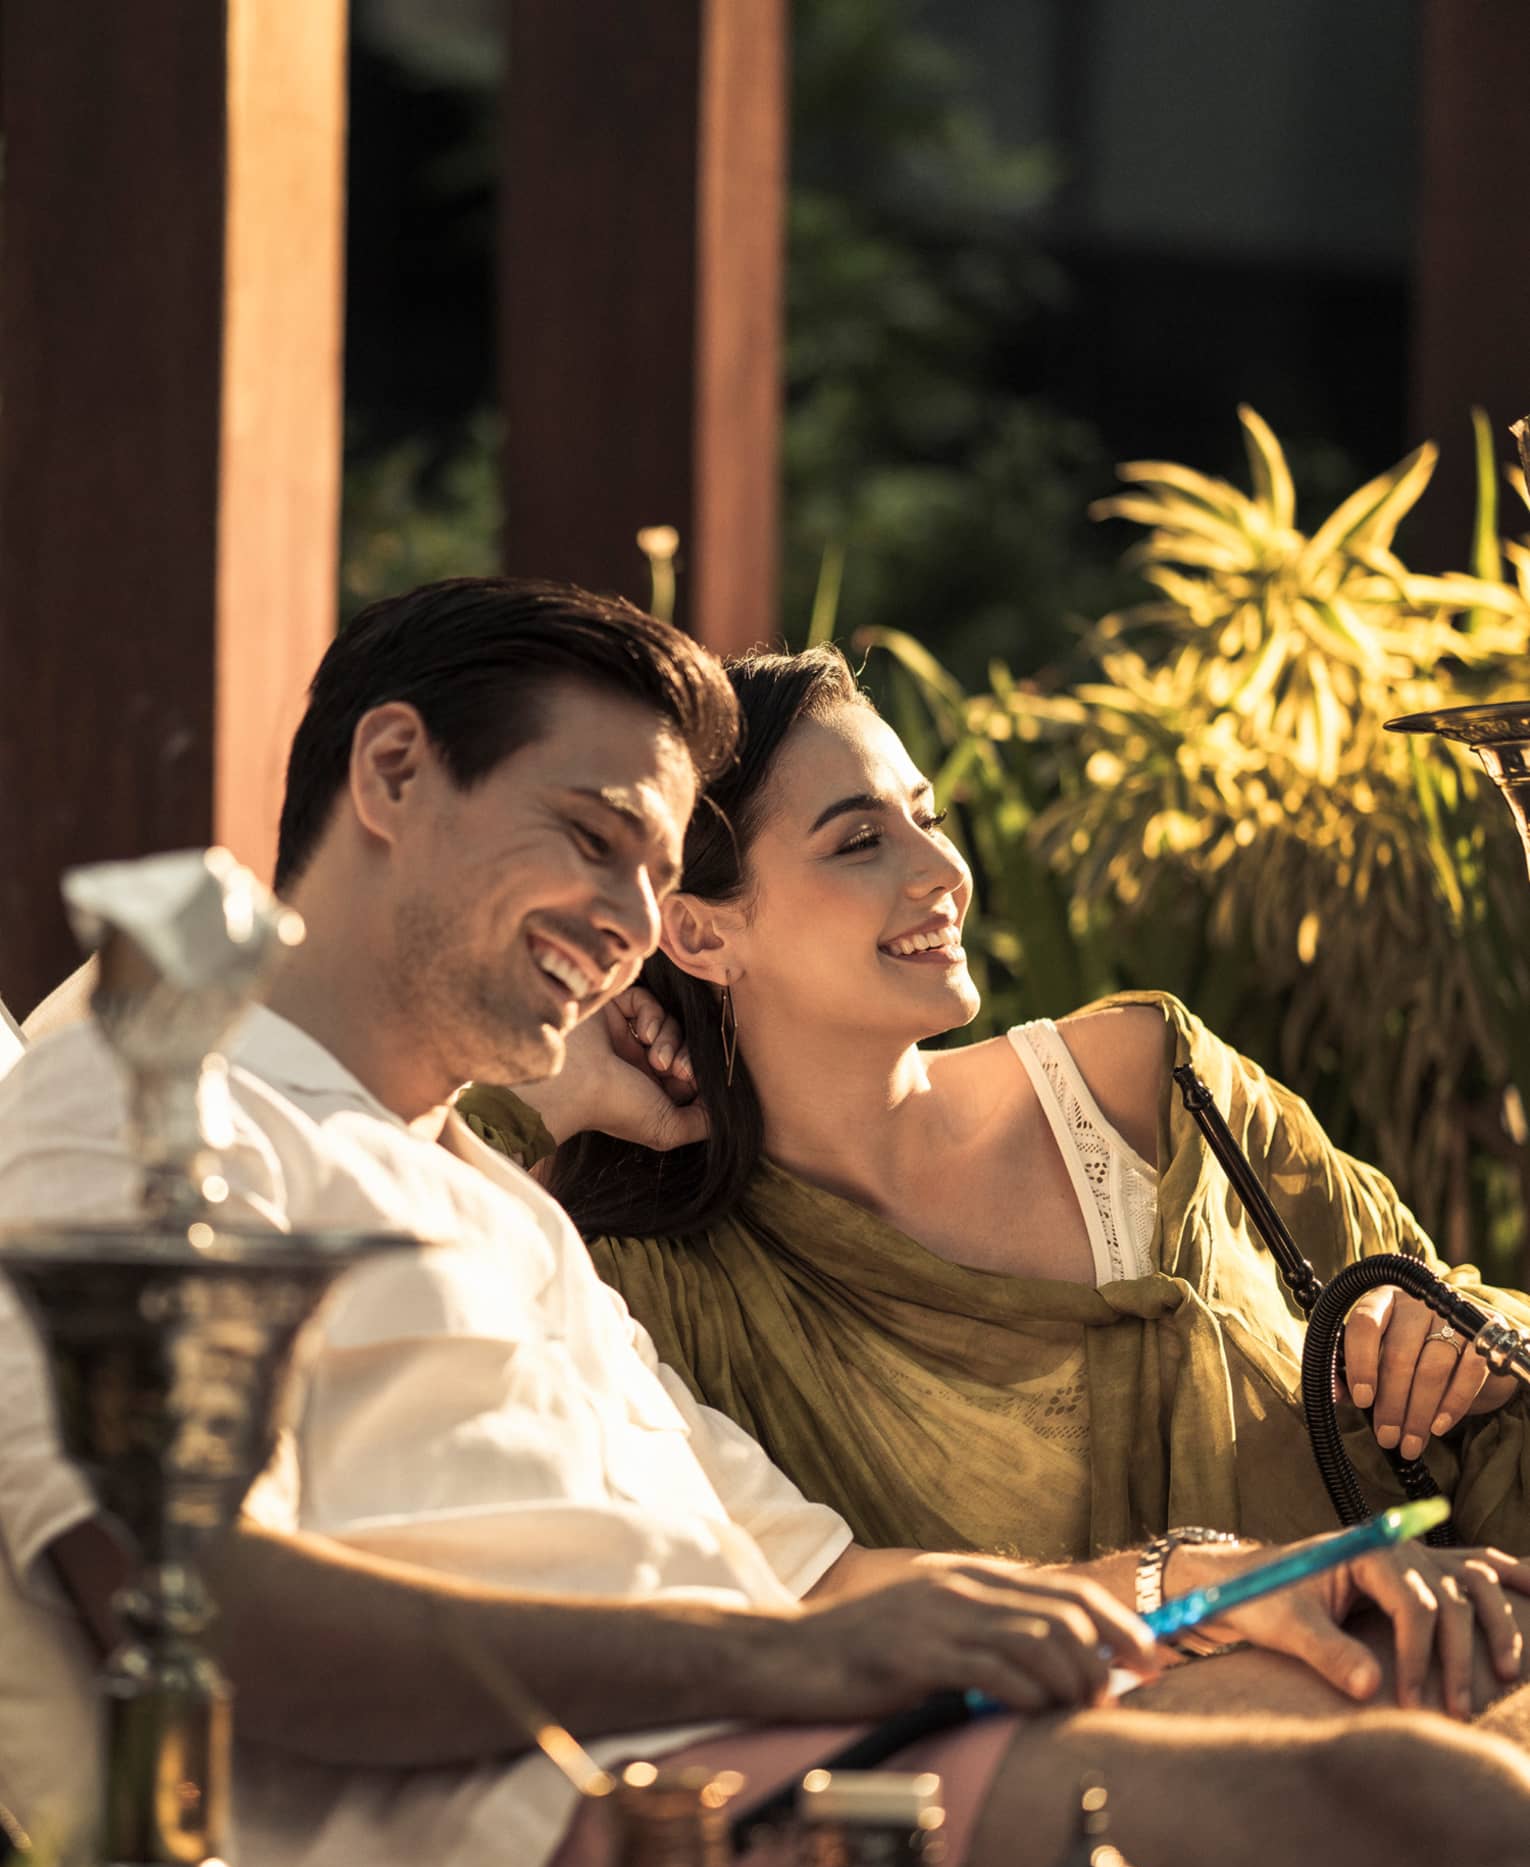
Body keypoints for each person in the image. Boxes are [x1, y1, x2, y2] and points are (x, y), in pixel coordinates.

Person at [2, 585, 1530, 1867]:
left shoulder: (499, 1208)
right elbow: (188, 1608)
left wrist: (1189, 1583)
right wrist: (769, 1670)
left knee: (1456, 1722)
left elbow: (814, 1581)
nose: (630, 924)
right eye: (593, 838)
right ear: (393, 771)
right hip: (578, 1857)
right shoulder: (148, 1114)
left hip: (785, 1764)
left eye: (657, 875)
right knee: (1431, 1824)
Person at [463, 644, 1530, 1589]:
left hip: (1458, 1678)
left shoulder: (1156, 1090)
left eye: (927, 818)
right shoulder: (662, 1288)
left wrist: (1466, 1342)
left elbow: (1471, 1317)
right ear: (700, 936)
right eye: (859, 842)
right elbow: (427, 1289)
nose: (944, 871)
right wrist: (549, 1086)